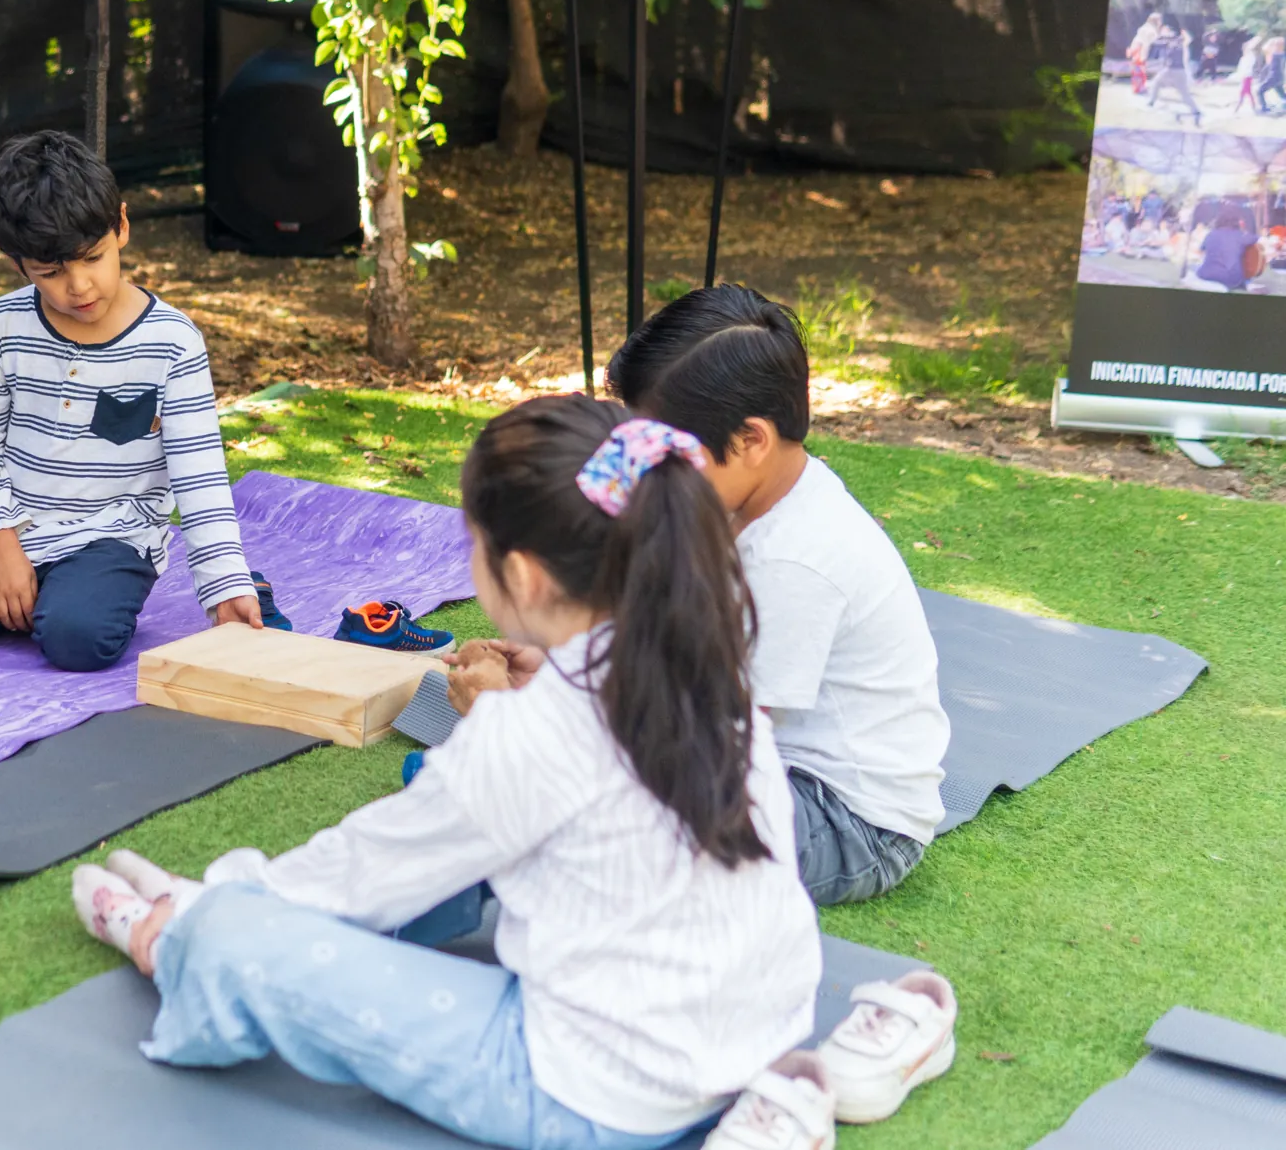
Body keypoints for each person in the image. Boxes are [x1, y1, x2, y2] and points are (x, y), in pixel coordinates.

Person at [64, 397, 841, 1149]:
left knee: (243, 933)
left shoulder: (532, 731)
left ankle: (167, 937)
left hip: (602, 1095)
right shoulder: (699, 656)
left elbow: (361, 868)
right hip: (757, 1035)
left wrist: (215, 903)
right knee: (438, 830)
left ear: (525, 576)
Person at [602, 284, 950, 907]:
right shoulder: (752, 496)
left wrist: (553, 717)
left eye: (671, 453)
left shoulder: (792, 561)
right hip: (769, 760)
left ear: (751, 440)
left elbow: (707, 749)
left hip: (849, 822)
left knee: (618, 824)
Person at [0, 132, 262, 670]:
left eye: (93, 257)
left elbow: (199, 473)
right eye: (51, 272)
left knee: (78, 638)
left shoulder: (173, 341)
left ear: (121, 226)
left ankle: (62, 600)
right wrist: (2, 548)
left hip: (113, 536)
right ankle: (29, 592)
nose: (79, 285)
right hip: (12, 526)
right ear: (18, 264)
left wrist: (224, 585)